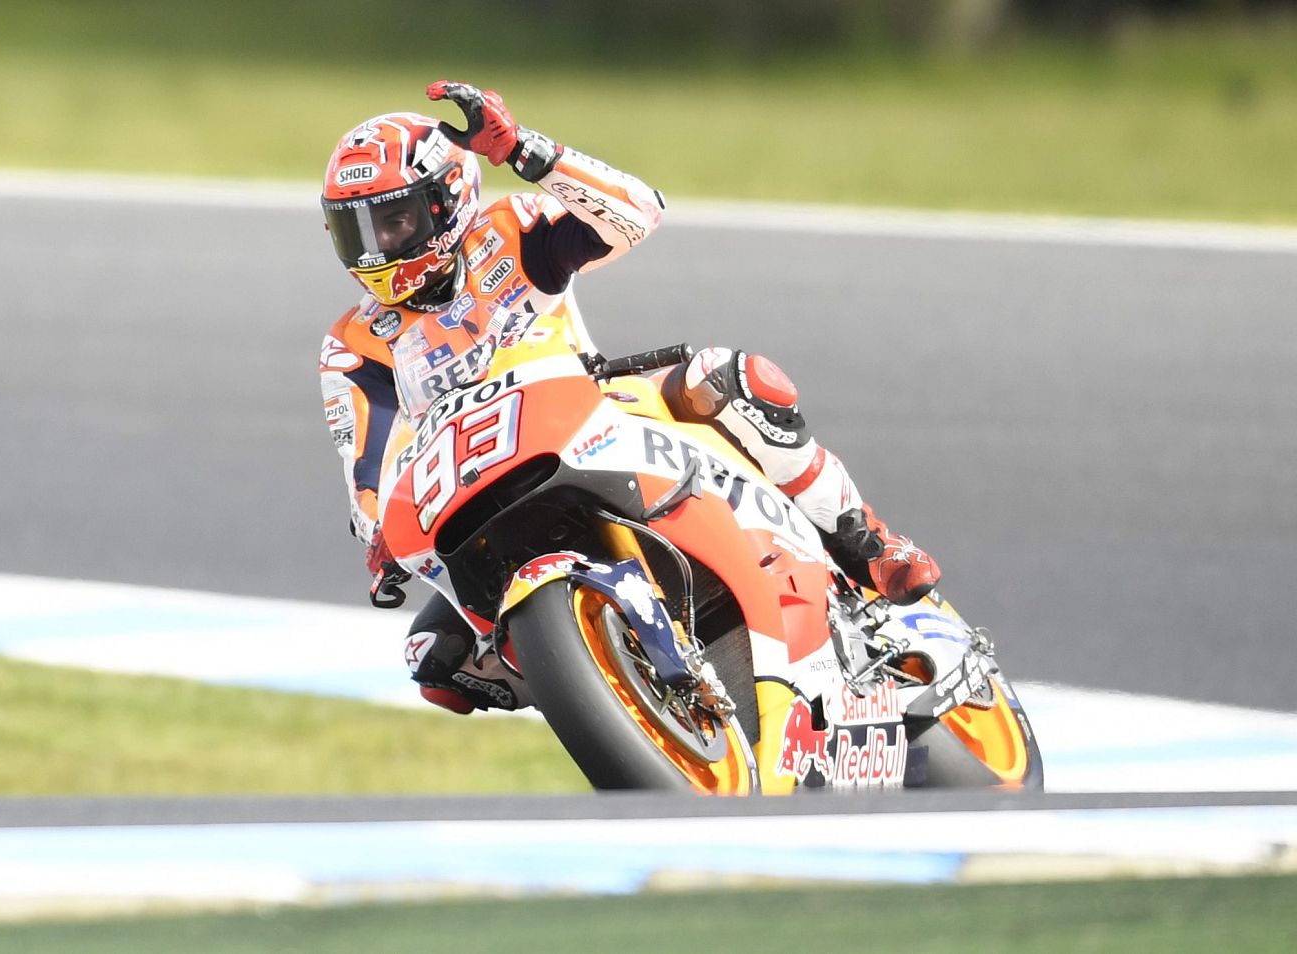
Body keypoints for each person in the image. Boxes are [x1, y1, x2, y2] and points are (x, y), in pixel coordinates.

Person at [317, 81, 939, 715]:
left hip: (590, 415)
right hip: (473, 491)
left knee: (728, 378)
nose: (376, 249)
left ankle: (864, 542)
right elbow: (366, 468)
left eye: (393, 221)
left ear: (448, 200)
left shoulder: (508, 234)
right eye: (355, 230)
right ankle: (615, 692)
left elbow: (638, 212)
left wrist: (525, 152)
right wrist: (379, 535)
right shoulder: (354, 342)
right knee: (433, 661)